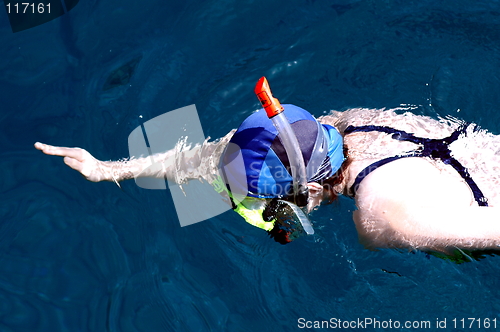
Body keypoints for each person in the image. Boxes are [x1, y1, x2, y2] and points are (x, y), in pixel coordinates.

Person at [35, 77, 500, 258]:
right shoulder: (340, 125)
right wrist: (110, 168)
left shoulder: (382, 217)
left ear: (307, 189)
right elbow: (210, 158)